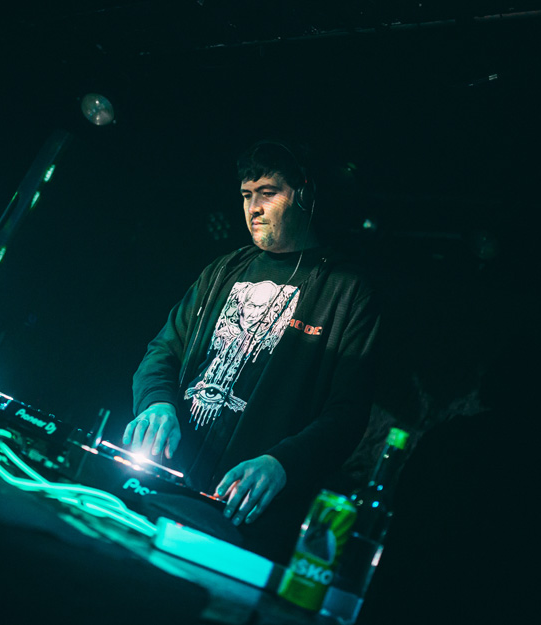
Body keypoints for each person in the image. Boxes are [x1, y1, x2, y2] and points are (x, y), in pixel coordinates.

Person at [123, 141, 380, 554]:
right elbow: (163, 350)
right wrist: (157, 403)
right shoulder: (222, 270)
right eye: (246, 195)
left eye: (267, 193)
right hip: (163, 482)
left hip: (243, 516)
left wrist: (283, 463)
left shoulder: (346, 291)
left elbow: (347, 413)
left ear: (304, 195)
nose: (253, 208)